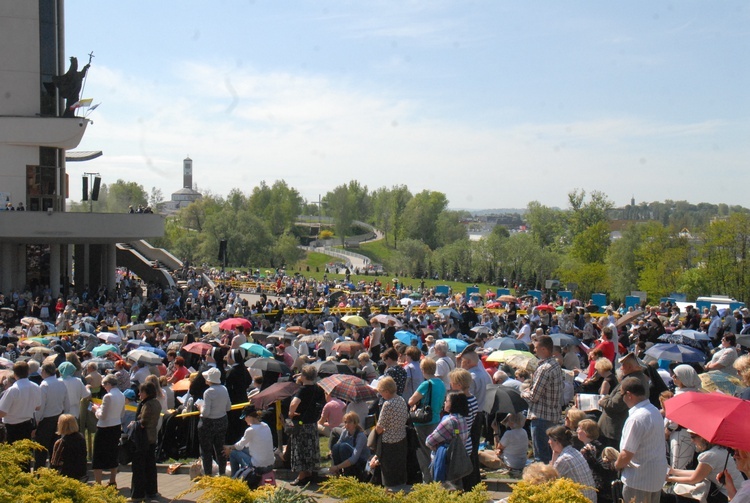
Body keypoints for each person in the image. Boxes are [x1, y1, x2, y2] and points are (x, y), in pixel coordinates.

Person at [615, 376, 669, 503]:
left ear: (629, 395)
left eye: (622, 394)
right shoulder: (654, 411)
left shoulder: (636, 418)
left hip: (639, 479)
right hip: (654, 478)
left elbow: (626, 453)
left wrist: (616, 465)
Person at [666, 431, 744, 503]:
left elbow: (693, 479)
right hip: (737, 491)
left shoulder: (709, 456)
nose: (691, 440)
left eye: (693, 437)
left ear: (702, 437)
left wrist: (669, 479)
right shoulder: (719, 450)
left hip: (729, 495)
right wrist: (673, 471)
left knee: (682, 488)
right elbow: (698, 473)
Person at [521, 334, 563, 463]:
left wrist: (523, 392)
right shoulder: (555, 365)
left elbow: (534, 396)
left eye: (536, 348)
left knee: (542, 457)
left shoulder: (544, 369)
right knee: (552, 455)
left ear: (544, 349)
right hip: (552, 416)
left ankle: (543, 482)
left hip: (541, 417)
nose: (534, 350)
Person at [598, 352, 650, 448]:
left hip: (614, 430)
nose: (621, 368)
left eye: (623, 365)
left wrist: (603, 399)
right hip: (618, 428)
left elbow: (615, 405)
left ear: (630, 367)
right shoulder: (641, 378)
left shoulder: (629, 381)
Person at [408, 357, 447, 483]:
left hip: (423, 422)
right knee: (433, 451)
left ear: (423, 370)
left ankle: (427, 481)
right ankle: (436, 478)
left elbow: (411, 401)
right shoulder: (441, 383)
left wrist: (415, 403)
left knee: (424, 454)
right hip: (436, 419)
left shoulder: (426, 384)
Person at [288, 365, 325, 486]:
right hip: (312, 423)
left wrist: (291, 413)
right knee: (311, 449)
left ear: (304, 376)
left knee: (301, 449)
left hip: (301, 424)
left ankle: (302, 476)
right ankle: (310, 472)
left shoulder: (302, 390)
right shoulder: (318, 389)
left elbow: (294, 403)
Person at [425, 391, 471, 486]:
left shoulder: (448, 422)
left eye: (446, 401)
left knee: (443, 489)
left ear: (453, 404)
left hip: (444, 463)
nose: (444, 403)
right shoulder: (463, 419)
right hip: (458, 461)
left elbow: (429, 442)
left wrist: (437, 447)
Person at [666, 365, 704, 470]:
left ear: (684, 378)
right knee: (687, 464)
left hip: (680, 434)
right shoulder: (698, 393)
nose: (673, 376)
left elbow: (674, 420)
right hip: (692, 434)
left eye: (676, 375)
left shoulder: (681, 396)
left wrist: (668, 430)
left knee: (678, 466)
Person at [547, 425, 598, 502]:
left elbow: (549, 481)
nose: (548, 442)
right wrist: (555, 453)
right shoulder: (575, 451)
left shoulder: (563, 460)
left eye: (550, 439)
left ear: (556, 441)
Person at [129, 382, 162, 501]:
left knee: (139, 467)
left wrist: (134, 423)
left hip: (142, 438)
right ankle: (151, 490)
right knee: (150, 466)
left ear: (147, 393)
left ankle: (138, 494)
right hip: (152, 437)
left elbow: (144, 422)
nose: (139, 394)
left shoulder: (147, 405)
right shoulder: (156, 403)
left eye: (141, 392)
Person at [374, 376, 409, 489]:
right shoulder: (401, 400)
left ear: (386, 391)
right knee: (399, 469)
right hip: (402, 438)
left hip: (388, 442)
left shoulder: (388, 404)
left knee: (389, 472)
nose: (381, 395)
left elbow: (380, 426)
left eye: (381, 392)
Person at [91, 374, 125, 487]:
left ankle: (98, 483)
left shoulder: (108, 396)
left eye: (104, 384)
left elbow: (102, 416)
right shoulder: (121, 395)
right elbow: (122, 413)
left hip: (104, 428)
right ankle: (112, 480)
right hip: (116, 426)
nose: (104, 387)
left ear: (109, 384)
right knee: (112, 453)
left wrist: (96, 409)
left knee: (98, 456)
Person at [34, 362, 70, 469]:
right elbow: (66, 403)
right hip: (58, 418)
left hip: (46, 420)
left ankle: (39, 473)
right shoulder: (61, 383)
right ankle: (54, 472)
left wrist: (36, 421)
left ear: (45, 371)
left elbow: (41, 405)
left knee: (41, 449)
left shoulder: (44, 385)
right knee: (54, 449)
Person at [225, 404, 275, 478]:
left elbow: (239, 446)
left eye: (244, 418)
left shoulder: (250, 430)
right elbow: (246, 445)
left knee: (233, 453)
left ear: (248, 417)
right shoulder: (265, 426)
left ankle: (234, 477)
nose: (244, 420)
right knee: (242, 450)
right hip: (270, 465)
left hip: (259, 468)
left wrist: (229, 448)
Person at [197, 366, 231, 477]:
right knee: (220, 448)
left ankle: (208, 474)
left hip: (208, 423)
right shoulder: (224, 389)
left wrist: (200, 407)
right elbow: (228, 407)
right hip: (222, 420)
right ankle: (222, 472)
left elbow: (205, 413)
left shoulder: (208, 392)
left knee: (206, 451)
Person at [577, 419, 619, 503]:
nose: (577, 431)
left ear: (585, 432)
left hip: (597, 487)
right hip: (606, 486)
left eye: (579, 428)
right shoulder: (599, 444)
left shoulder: (586, 450)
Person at [0, 361, 41, 443]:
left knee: (12, 453)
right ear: (28, 372)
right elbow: (38, 407)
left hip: (12, 428)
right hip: (27, 425)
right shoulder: (36, 387)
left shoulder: (13, 390)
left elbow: (2, 413)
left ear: (14, 374)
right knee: (25, 452)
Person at [329, 411, 370, 479]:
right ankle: (337, 473)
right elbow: (337, 445)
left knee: (343, 447)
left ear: (355, 423)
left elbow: (354, 458)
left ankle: (348, 474)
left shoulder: (361, 436)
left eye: (349, 422)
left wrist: (337, 466)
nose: (347, 424)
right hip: (348, 460)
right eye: (345, 422)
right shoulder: (345, 432)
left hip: (361, 463)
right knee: (336, 447)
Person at [224, 348, 252, 444]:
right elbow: (249, 381)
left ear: (232, 358)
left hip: (234, 400)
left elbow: (227, 386)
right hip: (243, 397)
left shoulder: (232, 370)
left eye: (228, 357)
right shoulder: (244, 369)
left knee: (234, 422)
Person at [49, 413, 87, 481]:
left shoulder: (61, 442)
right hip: (81, 473)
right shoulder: (81, 438)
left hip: (66, 475)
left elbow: (55, 463)